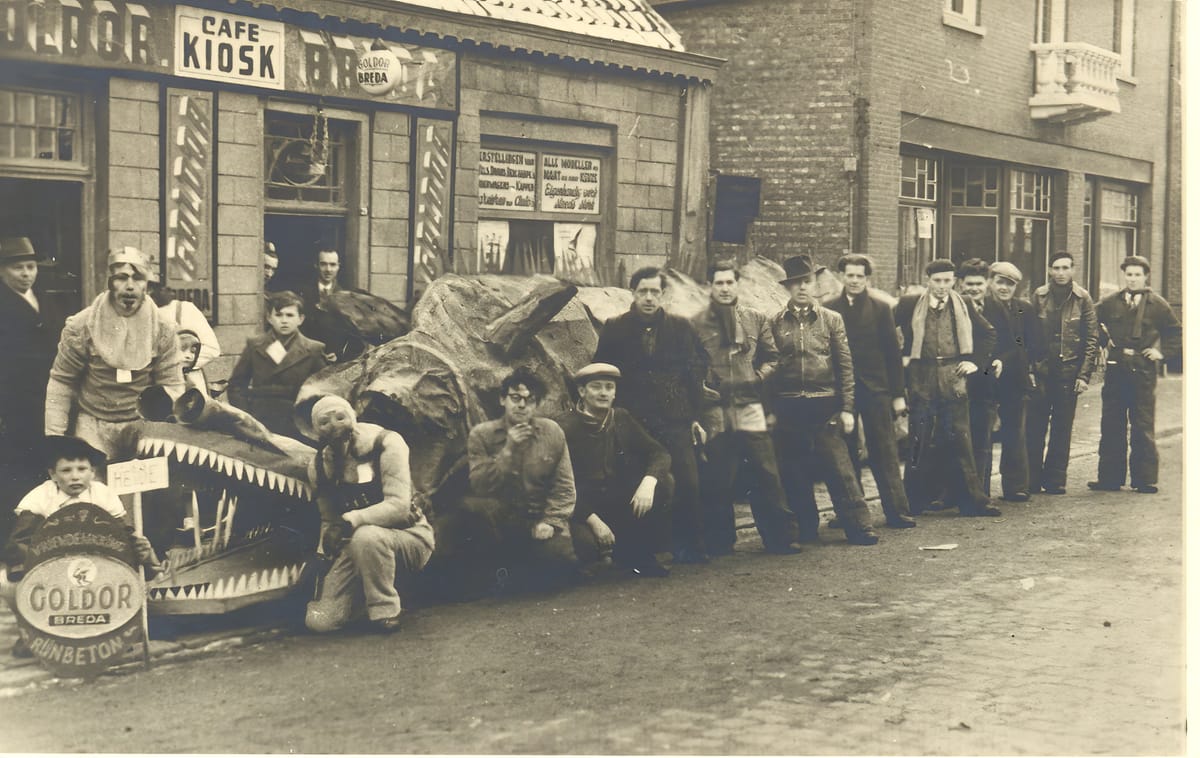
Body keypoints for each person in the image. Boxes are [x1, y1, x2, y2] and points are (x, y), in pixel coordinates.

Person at [594, 267, 711, 564]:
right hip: (634, 422)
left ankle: (691, 547)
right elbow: (603, 373)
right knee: (637, 481)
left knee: (688, 480)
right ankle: (642, 548)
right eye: (642, 291)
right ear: (632, 293)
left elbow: (695, 373)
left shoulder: (681, 328)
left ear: (663, 294)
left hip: (675, 419)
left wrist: (696, 417)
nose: (648, 298)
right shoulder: (614, 328)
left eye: (655, 292)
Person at [691, 260, 803, 555]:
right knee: (718, 474)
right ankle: (720, 541)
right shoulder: (696, 323)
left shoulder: (756, 318)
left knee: (766, 470)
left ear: (737, 284)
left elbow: (773, 357)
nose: (725, 288)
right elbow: (690, 367)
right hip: (716, 408)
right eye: (719, 283)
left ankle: (780, 538)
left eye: (730, 282)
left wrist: (756, 377)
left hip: (750, 405)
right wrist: (705, 390)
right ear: (709, 287)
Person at [768, 254, 879, 546]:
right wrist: (771, 409)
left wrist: (846, 408)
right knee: (794, 472)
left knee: (840, 469)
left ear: (814, 284)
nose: (802, 288)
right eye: (795, 284)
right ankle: (805, 528)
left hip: (824, 404)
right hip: (789, 406)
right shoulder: (775, 323)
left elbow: (845, 367)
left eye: (806, 282)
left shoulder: (832, 320)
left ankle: (859, 527)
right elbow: (771, 368)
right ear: (787, 288)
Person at [304, 396, 434, 633]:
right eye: (325, 422)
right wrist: (322, 554)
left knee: (367, 536)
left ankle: (386, 610)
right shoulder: (320, 467)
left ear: (352, 417)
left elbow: (398, 507)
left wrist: (351, 519)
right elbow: (329, 520)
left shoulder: (386, 443)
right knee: (320, 621)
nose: (335, 425)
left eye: (340, 417)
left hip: (409, 536)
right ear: (317, 430)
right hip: (357, 545)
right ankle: (363, 600)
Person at [44, 247, 185, 459]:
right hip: (93, 424)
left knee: (145, 490)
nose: (130, 287)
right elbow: (62, 381)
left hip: (143, 425)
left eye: (138, 278)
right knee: (94, 487)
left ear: (147, 284)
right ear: (109, 282)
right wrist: (55, 438)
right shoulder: (82, 325)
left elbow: (172, 383)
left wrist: (168, 429)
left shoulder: (163, 328)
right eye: (121, 278)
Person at [894, 259, 1000, 518]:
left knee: (959, 438)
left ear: (954, 281)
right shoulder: (910, 305)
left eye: (947, 281)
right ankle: (914, 501)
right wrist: (903, 355)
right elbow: (887, 331)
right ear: (927, 280)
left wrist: (974, 362)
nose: (942, 287)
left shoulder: (963, 305)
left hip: (953, 375)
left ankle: (973, 502)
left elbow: (988, 334)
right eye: (937, 281)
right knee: (920, 438)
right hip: (921, 376)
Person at [463, 368, 578, 586]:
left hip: (539, 516)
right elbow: (480, 485)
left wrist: (551, 522)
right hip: (501, 521)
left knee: (562, 566)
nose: (522, 405)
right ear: (502, 399)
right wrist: (508, 450)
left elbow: (564, 485)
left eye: (529, 400)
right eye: (515, 398)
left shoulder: (551, 431)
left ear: (537, 404)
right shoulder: (481, 434)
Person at [827, 253, 916, 529]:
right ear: (841, 276)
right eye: (849, 275)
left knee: (884, 449)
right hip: (842, 391)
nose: (854, 281)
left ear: (867, 279)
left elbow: (892, 353)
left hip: (876, 388)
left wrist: (898, 394)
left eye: (859, 276)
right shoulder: (829, 309)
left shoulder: (880, 309)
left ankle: (897, 512)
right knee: (846, 452)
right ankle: (850, 513)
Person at [558, 363, 673, 577]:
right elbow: (561, 485)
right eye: (596, 387)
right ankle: (602, 553)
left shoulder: (620, 417)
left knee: (664, 483)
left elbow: (659, 453)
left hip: (617, 500)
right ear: (582, 392)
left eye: (609, 387)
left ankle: (634, 553)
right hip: (582, 507)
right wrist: (593, 521)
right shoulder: (565, 426)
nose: (604, 393)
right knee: (586, 548)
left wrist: (648, 483)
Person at [1088, 256, 1181, 494]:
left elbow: (1175, 331)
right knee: (1111, 424)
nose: (1132, 279)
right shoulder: (1111, 302)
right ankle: (1109, 478)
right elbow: (1091, 320)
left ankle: (1145, 479)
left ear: (1145, 276)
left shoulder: (1157, 304)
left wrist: (1161, 353)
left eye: (1137, 274)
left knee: (1142, 424)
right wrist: (1103, 341)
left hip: (1142, 371)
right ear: (1124, 275)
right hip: (1116, 369)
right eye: (1128, 274)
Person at [0, 237, 64, 542]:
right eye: (17, 267)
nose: (26, 273)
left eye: (31, 266)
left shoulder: (46, 301)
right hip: (12, 406)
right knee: (15, 475)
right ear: (2, 271)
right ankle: (13, 546)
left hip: (46, 402)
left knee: (44, 469)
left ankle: (43, 541)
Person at [1025, 251, 1098, 495]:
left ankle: (1055, 480)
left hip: (1068, 371)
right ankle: (1031, 479)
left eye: (1065, 267)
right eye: (1056, 268)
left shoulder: (1082, 298)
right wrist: (1030, 369)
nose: (1060, 273)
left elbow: (1091, 339)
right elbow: (1027, 333)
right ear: (1049, 270)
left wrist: (1083, 375)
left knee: (1062, 427)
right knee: (1034, 426)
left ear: (1073, 270)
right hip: (1042, 370)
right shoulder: (1039, 296)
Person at [227, 291, 328, 440]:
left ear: (301, 319)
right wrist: (246, 416)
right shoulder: (255, 346)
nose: (284, 321)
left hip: (296, 420)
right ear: (269, 318)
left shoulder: (314, 349)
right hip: (260, 418)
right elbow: (236, 385)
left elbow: (323, 388)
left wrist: (308, 418)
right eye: (279, 315)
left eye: (290, 315)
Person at [956, 258, 1005, 497]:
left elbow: (1011, 339)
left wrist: (999, 359)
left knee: (982, 439)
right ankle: (954, 492)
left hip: (986, 380)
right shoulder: (955, 305)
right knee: (957, 438)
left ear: (987, 283)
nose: (974, 288)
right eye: (969, 283)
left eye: (979, 283)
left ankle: (981, 492)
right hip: (958, 380)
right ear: (961, 283)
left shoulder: (999, 307)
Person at [148, 275, 220, 394]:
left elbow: (212, 349)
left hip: (187, 382)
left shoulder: (184, 309)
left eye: (150, 288)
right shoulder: (137, 316)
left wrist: (176, 363)